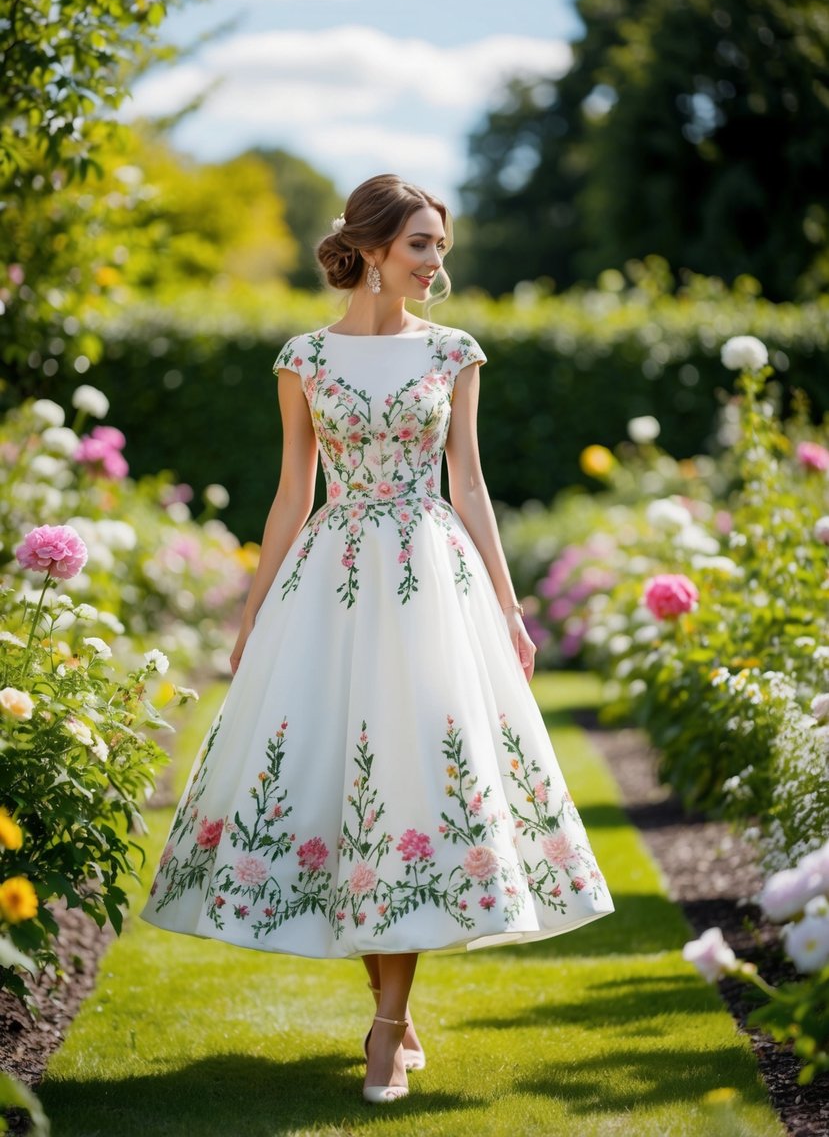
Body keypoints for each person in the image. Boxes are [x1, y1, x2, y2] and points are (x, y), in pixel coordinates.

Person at [139, 173, 614, 1105]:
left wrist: (511, 613)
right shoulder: (304, 357)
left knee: (414, 776)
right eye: (420, 245)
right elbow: (292, 494)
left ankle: (387, 1032)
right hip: (329, 583)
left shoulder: (453, 353)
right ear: (368, 250)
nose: (436, 263)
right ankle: (391, 1012)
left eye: (439, 244)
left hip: (432, 582)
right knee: (337, 785)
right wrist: (251, 615)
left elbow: (468, 485)